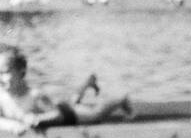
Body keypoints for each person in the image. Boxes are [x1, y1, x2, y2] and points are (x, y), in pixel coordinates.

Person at [0, 46, 132, 133]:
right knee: (73, 103)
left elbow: (57, 115)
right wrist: (12, 126)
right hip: (56, 106)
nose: (0, 78)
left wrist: (38, 119)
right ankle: (87, 83)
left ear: (21, 73)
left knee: (95, 115)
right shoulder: (2, 96)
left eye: (4, 72)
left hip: (65, 114)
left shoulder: (35, 96)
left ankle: (120, 100)